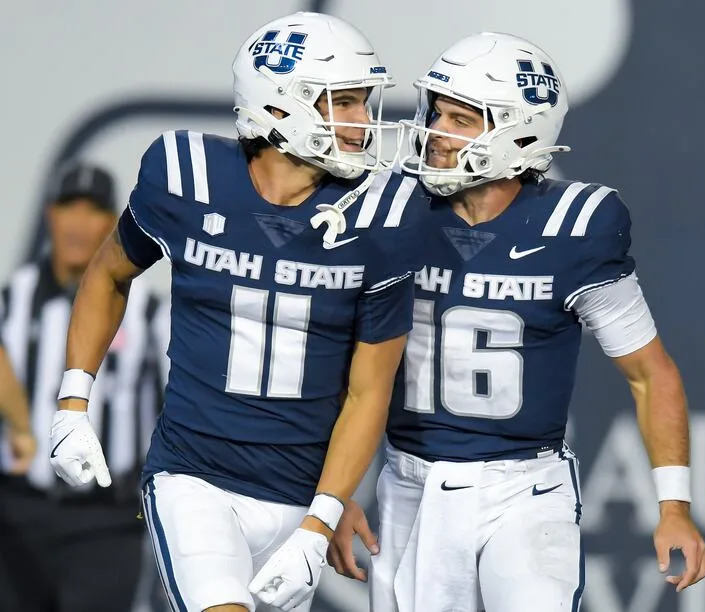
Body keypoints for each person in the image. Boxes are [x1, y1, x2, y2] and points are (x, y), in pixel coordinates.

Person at [49, 11, 429, 612]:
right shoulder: (186, 176)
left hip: (300, 499)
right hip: (195, 479)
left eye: (363, 102)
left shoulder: (382, 216)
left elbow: (369, 391)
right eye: (346, 103)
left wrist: (322, 517)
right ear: (280, 107)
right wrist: (73, 401)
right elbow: (108, 274)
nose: (363, 122)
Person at [328, 32, 705, 611]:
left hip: (523, 491)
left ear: (518, 132)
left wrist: (674, 506)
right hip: (411, 484)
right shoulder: (389, 208)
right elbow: (336, 360)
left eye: (461, 118)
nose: (436, 132)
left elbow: (649, 374)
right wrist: (331, 497)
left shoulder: (576, 226)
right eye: (437, 112)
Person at [0, 163, 167, 611]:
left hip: (106, 521)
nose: (78, 222)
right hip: (17, 517)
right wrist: (18, 425)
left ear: (111, 222)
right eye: (68, 207)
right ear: (50, 215)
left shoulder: (150, 312)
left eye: (92, 210)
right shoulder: (12, 299)